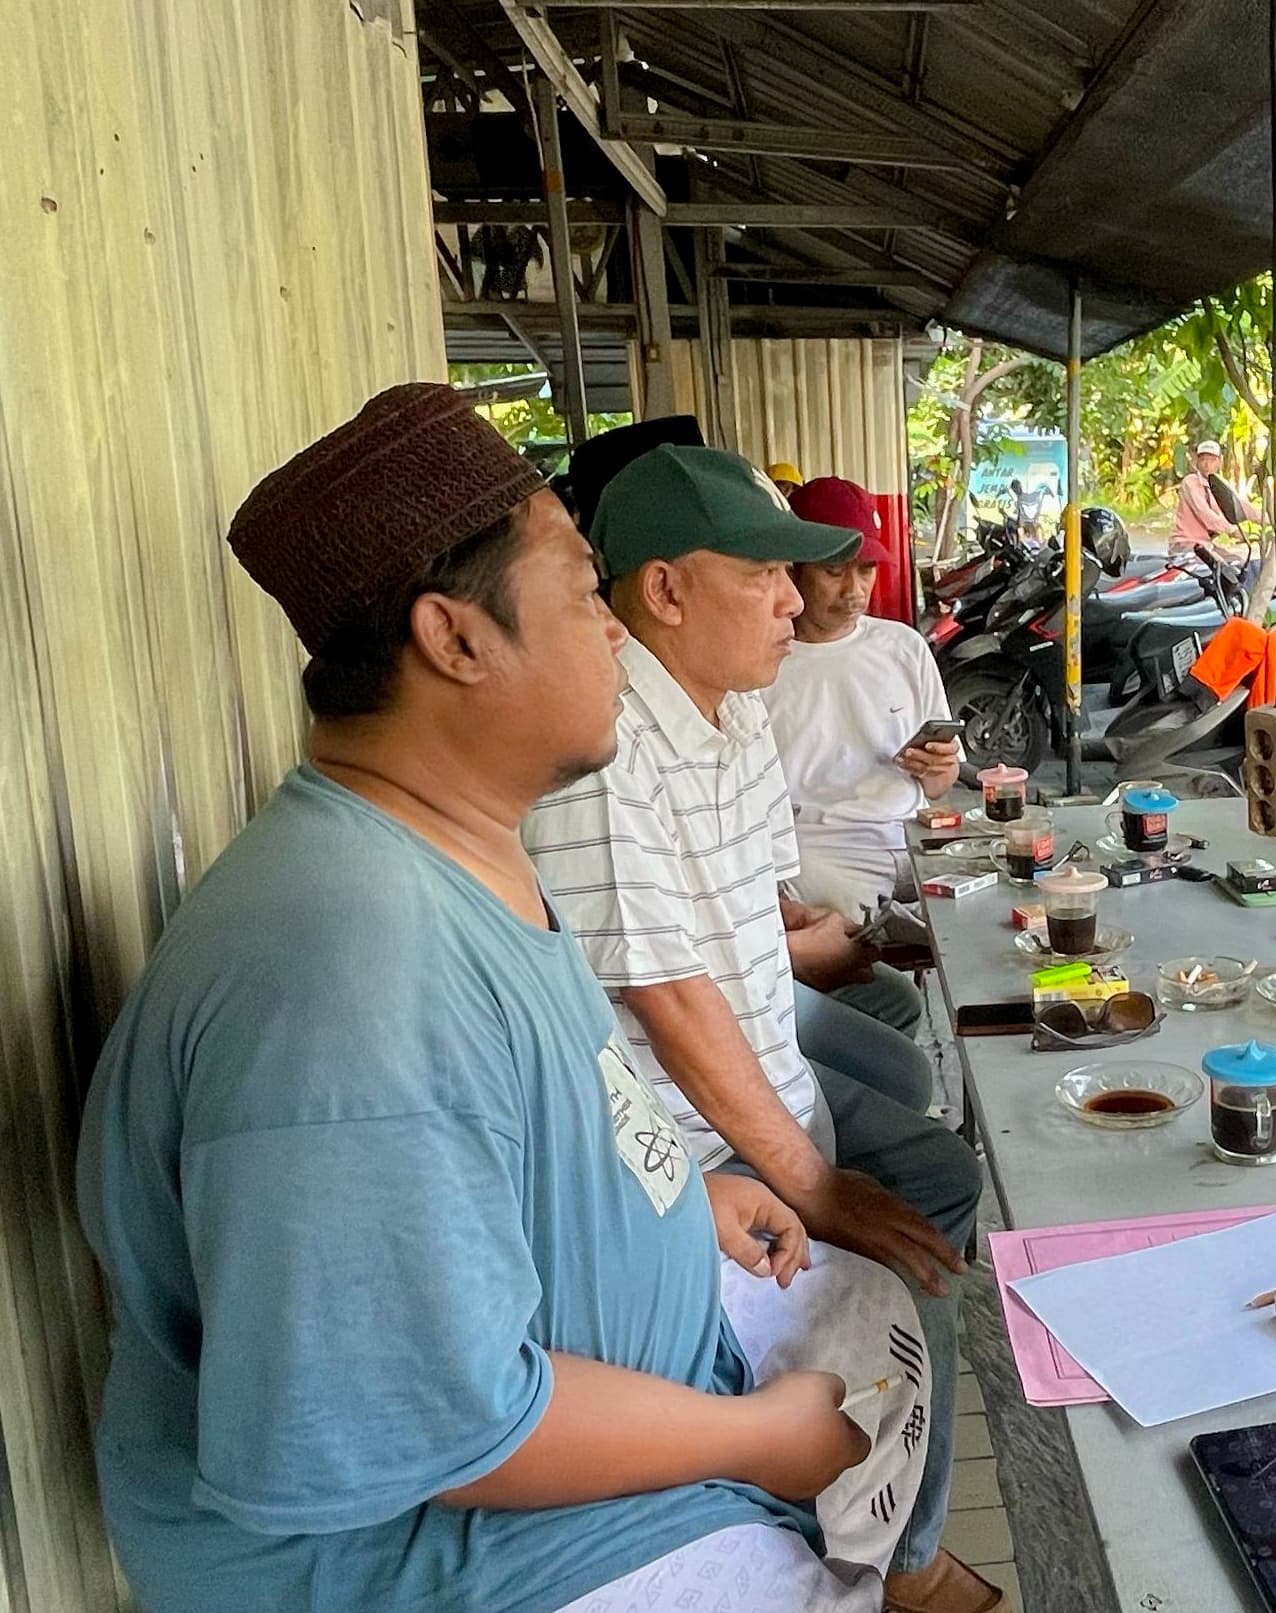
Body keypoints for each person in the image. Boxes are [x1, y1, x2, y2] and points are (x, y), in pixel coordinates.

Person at [77, 383, 934, 1613]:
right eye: (587, 593)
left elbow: (505, 1131)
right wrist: (754, 1438)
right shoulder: (350, 972)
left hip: (575, 1413)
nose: (616, 634)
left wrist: (668, 1194)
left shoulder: (448, 851)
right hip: (434, 1554)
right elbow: (427, 1424)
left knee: (877, 1312)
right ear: (457, 640)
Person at [523, 445, 999, 1613]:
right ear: (665, 589)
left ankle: (884, 1486)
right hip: (693, 1146)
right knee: (900, 1227)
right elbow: (669, 998)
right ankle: (896, 1552)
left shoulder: (732, 709)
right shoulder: (607, 744)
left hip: (773, 1072)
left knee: (939, 1173)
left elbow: (753, 904)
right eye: (765, 574)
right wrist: (815, 1183)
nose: (797, 599)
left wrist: (843, 935)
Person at [767, 475, 961, 914]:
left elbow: (938, 786)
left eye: (866, 569)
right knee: (863, 929)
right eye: (834, 571)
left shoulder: (905, 647)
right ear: (794, 571)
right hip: (817, 853)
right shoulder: (762, 665)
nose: (854, 591)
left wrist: (938, 769)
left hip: (911, 837)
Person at [1171, 438, 1251, 550]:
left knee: (1236, 559)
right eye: (1203, 460)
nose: (1207, 464)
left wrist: (1264, 518)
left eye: (1212, 460)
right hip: (1186, 543)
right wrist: (1233, 531)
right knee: (1222, 561)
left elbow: (1239, 505)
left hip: (1205, 545)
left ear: (1219, 462)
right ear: (1197, 462)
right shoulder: (1190, 482)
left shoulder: (1219, 484)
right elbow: (1205, 513)